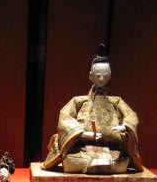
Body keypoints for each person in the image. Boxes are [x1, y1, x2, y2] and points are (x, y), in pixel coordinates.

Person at [42, 45, 143, 174]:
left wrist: (125, 127)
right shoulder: (79, 101)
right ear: (91, 76)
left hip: (112, 148)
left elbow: (131, 115)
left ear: (110, 76)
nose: (101, 79)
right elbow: (65, 117)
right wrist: (82, 133)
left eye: (105, 76)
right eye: (98, 75)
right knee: (72, 161)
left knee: (119, 163)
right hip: (81, 147)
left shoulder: (116, 101)